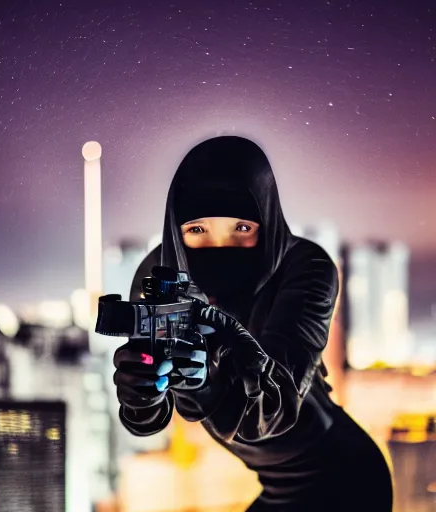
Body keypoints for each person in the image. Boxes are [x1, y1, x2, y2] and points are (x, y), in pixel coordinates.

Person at [114, 135, 393, 511]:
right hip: (277, 488)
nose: (219, 246)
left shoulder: (306, 268)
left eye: (242, 229)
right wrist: (139, 391)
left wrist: (209, 384)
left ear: (266, 219)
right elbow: (147, 421)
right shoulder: (160, 275)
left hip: (343, 480)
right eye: (197, 230)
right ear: (176, 229)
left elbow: (274, 408)